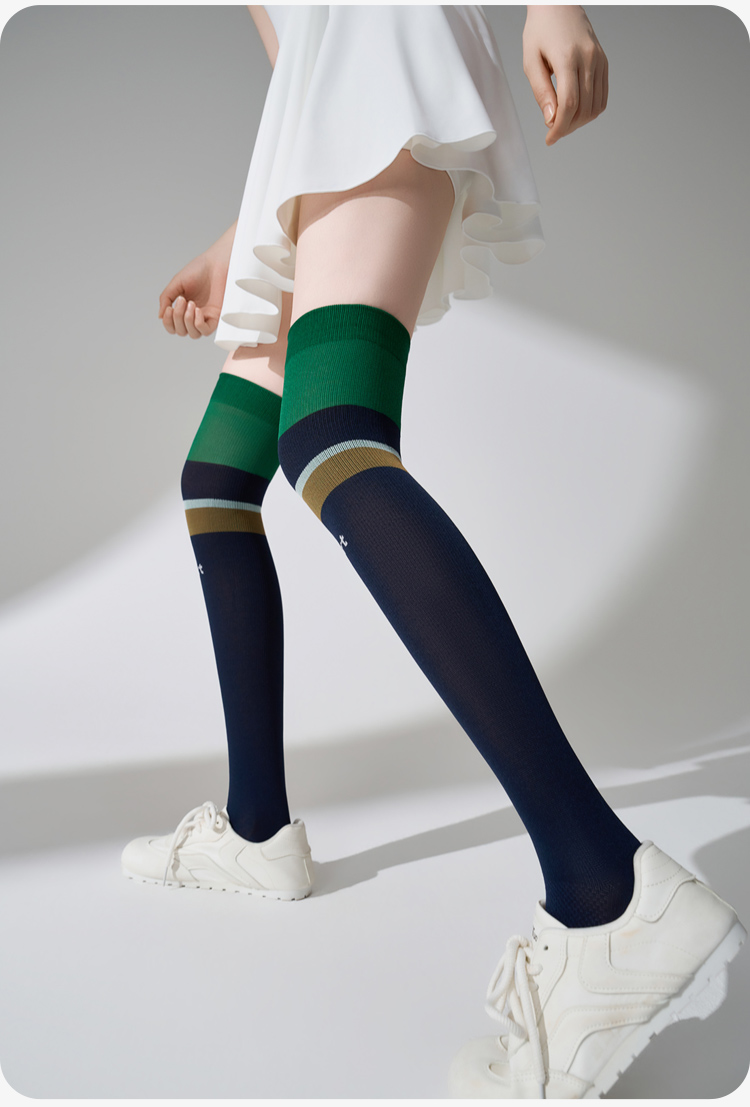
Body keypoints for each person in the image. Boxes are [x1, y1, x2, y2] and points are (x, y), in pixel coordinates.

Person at [121, 5, 746, 1098]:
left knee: (334, 441)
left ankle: (605, 892)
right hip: (323, 102)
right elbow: (291, 53)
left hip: (378, 43)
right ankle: (257, 831)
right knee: (220, 479)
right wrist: (245, 230)